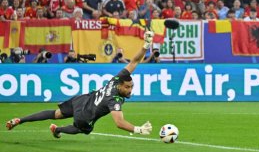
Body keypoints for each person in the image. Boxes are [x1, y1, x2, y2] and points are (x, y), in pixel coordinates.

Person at [6, 31, 155, 138]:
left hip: (82, 99)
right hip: (86, 114)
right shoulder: (114, 99)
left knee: (55, 113)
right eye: (127, 88)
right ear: (120, 86)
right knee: (83, 129)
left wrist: (146, 45)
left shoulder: (117, 79)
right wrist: (138, 129)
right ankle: (58, 130)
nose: (130, 90)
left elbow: (134, 61)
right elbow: (119, 123)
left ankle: (20, 120)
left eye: (131, 87)